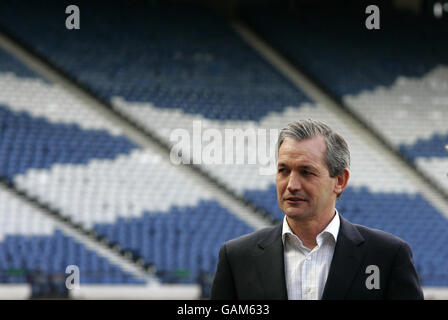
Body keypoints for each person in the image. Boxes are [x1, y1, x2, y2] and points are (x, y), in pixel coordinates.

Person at [211, 119, 423, 300]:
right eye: (283, 170)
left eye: (306, 172)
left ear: (340, 180)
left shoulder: (388, 255)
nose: (292, 184)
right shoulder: (237, 257)